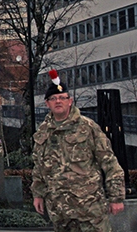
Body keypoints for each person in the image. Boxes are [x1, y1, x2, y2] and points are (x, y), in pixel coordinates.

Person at [31, 69, 125, 232]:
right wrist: (38, 193)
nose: (58, 101)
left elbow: (109, 162)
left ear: (70, 101)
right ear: (47, 103)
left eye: (62, 98)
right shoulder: (43, 132)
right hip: (60, 212)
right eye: (53, 99)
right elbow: (39, 166)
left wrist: (116, 197)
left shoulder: (87, 128)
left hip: (89, 210)